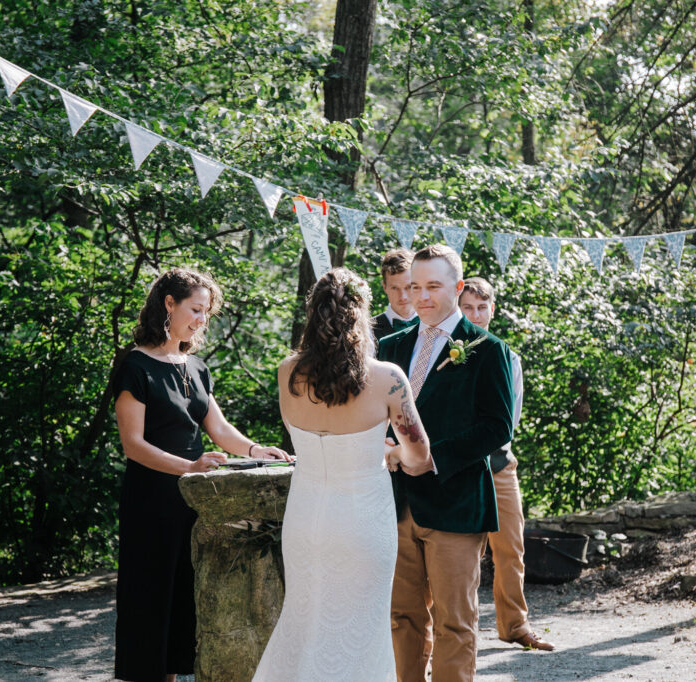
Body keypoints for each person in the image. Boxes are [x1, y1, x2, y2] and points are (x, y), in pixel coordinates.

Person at [253, 268, 432, 682]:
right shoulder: (387, 379)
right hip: (363, 519)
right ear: (360, 316)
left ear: (313, 314)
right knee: (362, 627)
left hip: (306, 517)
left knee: (305, 620)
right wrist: (392, 454)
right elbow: (420, 455)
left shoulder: (287, 372)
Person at [113, 268, 290, 682]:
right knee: (151, 599)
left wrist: (254, 450)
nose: (201, 320)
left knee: (185, 601)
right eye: (195, 309)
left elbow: (220, 429)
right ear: (168, 305)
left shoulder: (196, 366)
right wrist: (190, 468)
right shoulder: (134, 366)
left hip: (194, 501)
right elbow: (133, 445)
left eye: (206, 313)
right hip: (151, 502)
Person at [378, 245, 514, 682]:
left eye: (432, 287)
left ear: (456, 288)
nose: (420, 297)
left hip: (456, 503)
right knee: (402, 617)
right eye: (414, 287)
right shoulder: (387, 347)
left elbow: (497, 427)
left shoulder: (487, 350)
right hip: (395, 504)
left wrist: (433, 459)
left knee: (456, 621)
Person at [459, 277, 555, 652]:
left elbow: (508, 420)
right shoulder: (439, 353)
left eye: (482, 308)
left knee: (511, 549)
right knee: (453, 553)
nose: (475, 315)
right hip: (455, 468)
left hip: (498, 463)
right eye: (468, 307)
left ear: (492, 311)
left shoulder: (507, 357)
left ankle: (515, 626)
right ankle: (440, 635)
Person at [372, 248, 418, 341]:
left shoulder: (435, 325)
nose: (403, 297)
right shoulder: (368, 329)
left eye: (408, 287)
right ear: (384, 287)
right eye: (394, 288)